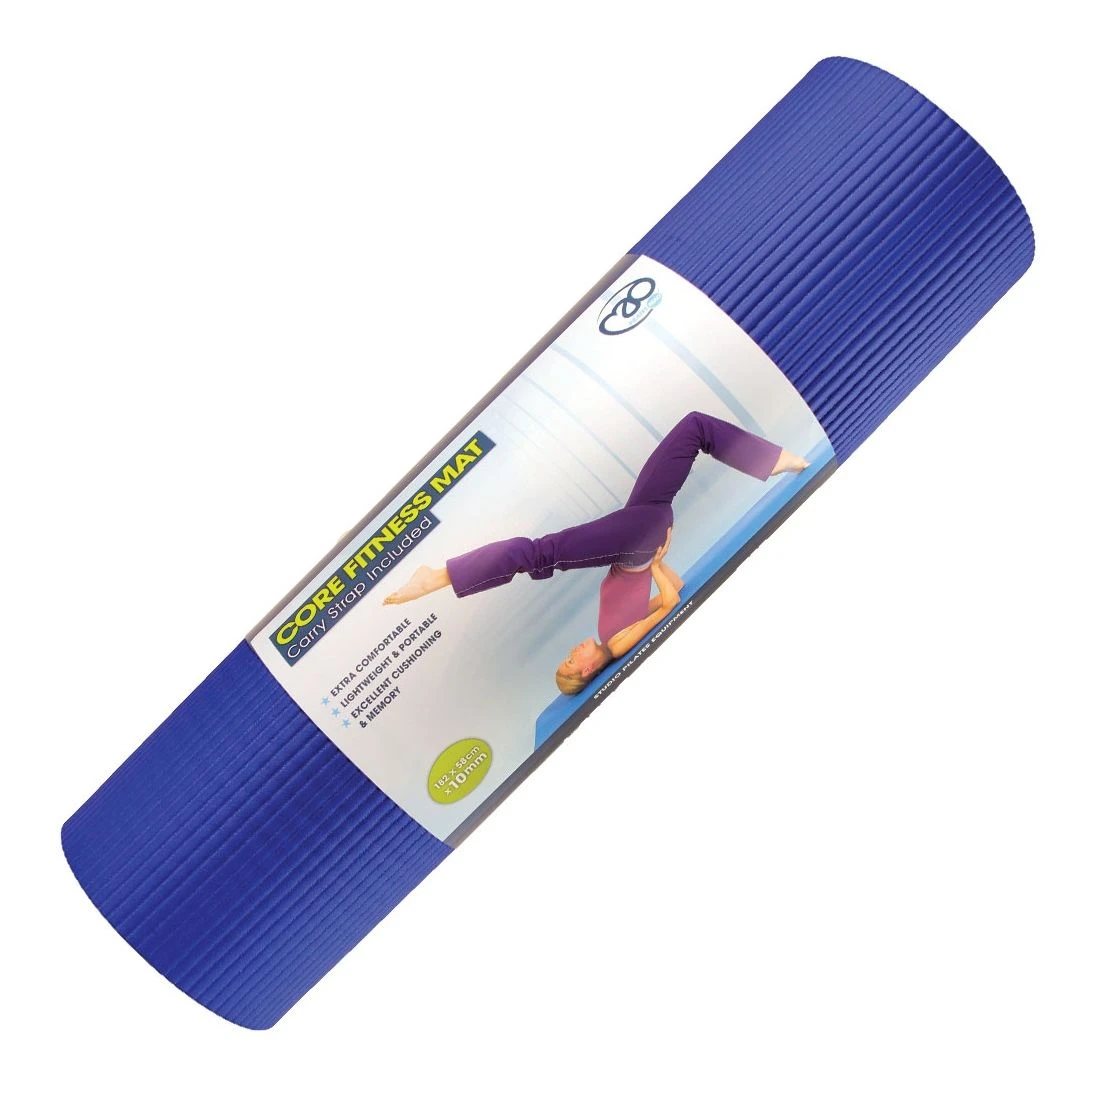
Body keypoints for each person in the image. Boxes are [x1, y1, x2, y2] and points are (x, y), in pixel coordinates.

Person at [383, 411, 809, 693]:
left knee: (695, 427)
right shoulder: (617, 644)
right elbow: (671, 601)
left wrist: (657, 560)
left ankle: (772, 460)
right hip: (637, 544)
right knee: (539, 554)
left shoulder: (613, 632)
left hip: (643, 527)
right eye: (572, 660)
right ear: (588, 670)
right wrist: (654, 563)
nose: (572, 651)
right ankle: (440, 577)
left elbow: (672, 588)